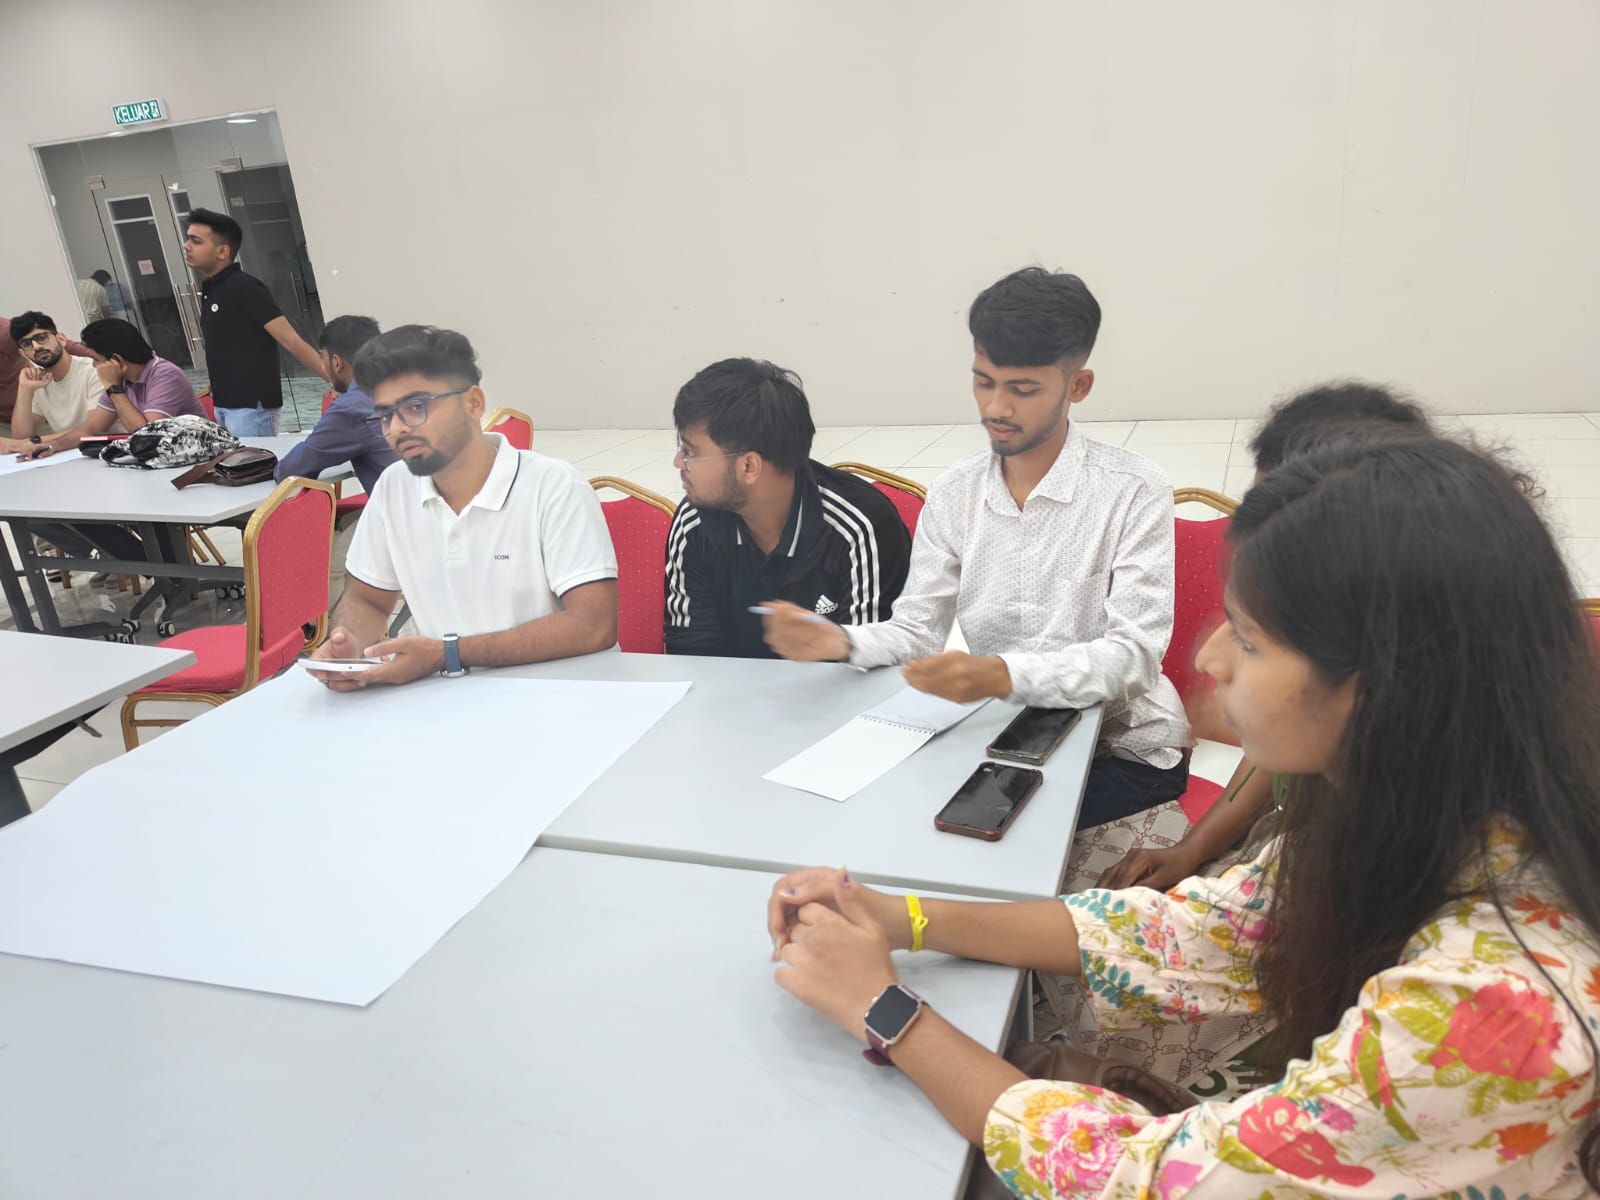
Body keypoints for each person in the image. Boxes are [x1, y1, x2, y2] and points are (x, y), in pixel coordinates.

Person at [767, 434, 1600, 1199]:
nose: (1208, 658)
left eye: (1250, 638)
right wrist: (903, 915)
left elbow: (1149, 1181)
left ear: (1379, 684)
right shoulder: (1424, 818)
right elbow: (1189, 930)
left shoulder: (1487, 1010)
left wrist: (884, 1009)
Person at [762, 268, 1189, 828]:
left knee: (982, 844)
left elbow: (1134, 657)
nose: (996, 407)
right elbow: (918, 629)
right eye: (983, 382)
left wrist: (1001, 676)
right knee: (889, 821)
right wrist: (842, 641)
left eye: (1022, 390)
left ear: (1078, 386)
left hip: (1123, 752)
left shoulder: (1133, 489)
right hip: (1007, 740)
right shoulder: (955, 492)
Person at [1100, 381, 1433, 891]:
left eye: (1250, 639)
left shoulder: (1401, 841)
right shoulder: (1325, 725)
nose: (1208, 660)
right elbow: (1268, 759)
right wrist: (1193, 850)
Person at [307, 325, 618, 689]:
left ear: (473, 403)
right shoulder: (394, 487)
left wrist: (448, 654)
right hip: (450, 699)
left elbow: (594, 625)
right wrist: (347, 643)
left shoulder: (553, 487)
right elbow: (368, 600)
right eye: (386, 415)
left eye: (416, 407)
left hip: (567, 696)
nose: (398, 429)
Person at [663, 358, 911, 657]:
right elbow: (690, 655)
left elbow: (872, 658)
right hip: (728, 688)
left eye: (689, 452)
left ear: (749, 466)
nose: (678, 463)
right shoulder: (694, 523)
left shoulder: (858, 527)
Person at [183, 207, 327, 435]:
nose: (186, 246)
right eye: (188, 239)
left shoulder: (245, 287)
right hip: (225, 403)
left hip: (250, 408)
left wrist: (336, 382)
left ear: (222, 251)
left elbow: (290, 340)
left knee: (253, 460)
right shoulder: (213, 289)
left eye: (196, 241)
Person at [0, 319, 205, 457]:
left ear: (116, 360)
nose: (94, 365)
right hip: (159, 458)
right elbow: (90, 429)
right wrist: (53, 446)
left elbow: (147, 434)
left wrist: (114, 388)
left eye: (96, 359)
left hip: (194, 456)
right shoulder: (121, 377)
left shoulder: (164, 374)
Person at [274, 315, 398, 493]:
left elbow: (290, 471)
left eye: (322, 358)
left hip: (406, 509)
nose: (322, 366)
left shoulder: (352, 408)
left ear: (336, 362)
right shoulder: (407, 383)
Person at [5, 312, 105, 444]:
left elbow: (93, 429)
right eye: (26, 343)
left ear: (61, 339)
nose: (36, 347)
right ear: (23, 353)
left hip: (105, 449)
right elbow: (20, 437)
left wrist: (38, 441)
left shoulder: (93, 371)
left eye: (41, 337)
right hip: (69, 452)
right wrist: (25, 389)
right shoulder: (38, 383)